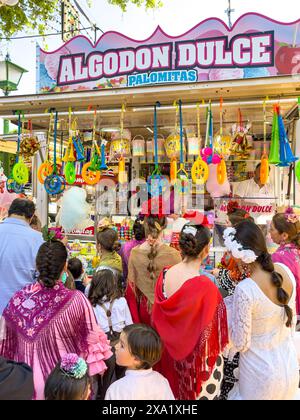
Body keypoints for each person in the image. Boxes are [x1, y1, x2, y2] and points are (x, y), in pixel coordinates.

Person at [0, 240, 112, 400]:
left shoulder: (18, 299)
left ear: (37, 266)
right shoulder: (77, 300)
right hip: (65, 388)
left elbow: (5, 344)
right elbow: (92, 341)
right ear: (65, 267)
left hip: (24, 387)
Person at [223, 221, 299, 400]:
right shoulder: (285, 271)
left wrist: (227, 314)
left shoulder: (246, 289)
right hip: (289, 369)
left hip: (259, 377)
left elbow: (241, 343)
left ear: (241, 255)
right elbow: (291, 321)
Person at [152, 224, 229, 400]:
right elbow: (212, 333)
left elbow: (157, 318)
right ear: (206, 250)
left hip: (167, 357)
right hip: (196, 366)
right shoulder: (206, 287)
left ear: (180, 246)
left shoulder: (164, 276)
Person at [126, 214, 181, 325]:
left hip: (143, 310)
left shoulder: (135, 253)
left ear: (145, 226)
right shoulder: (174, 255)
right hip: (166, 310)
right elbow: (179, 291)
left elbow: (131, 291)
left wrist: (135, 322)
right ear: (164, 227)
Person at [105, 324, 174, 400]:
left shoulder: (116, 390)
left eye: (122, 345)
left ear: (137, 359)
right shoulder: (162, 382)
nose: (116, 346)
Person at [0, 198, 44, 314]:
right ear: (31, 216)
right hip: (22, 311)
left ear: (10, 211)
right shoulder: (37, 239)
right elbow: (42, 276)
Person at [270, 208, 300, 319]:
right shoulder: (296, 250)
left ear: (284, 235)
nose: (269, 232)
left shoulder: (278, 257)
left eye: (272, 229)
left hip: (291, 307)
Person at [88, 270, 133, 343]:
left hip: (101, 343)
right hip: (120, 340)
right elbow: (129, 324)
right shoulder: (121, 301)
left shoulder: (92, 305)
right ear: (113, 284)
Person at [119, 216, 145, 282]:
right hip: (146, 285)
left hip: (130, 283)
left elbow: (124, 269)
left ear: (133, 231)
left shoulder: (125, 246)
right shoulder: (151, 246)